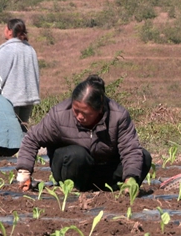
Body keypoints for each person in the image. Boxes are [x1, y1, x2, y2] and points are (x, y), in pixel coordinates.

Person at [15, 75, 152, 192]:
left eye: (86, 113)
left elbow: (130, 149)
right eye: (76, 111)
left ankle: (116, 188)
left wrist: (130, 179)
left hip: (104, 171)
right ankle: (73, 189)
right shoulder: (60, 114)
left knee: (143, 157)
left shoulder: (118, 116)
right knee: (77, 154)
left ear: (100, 109)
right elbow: (32, 138)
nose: (79, 116)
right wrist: (24, 172)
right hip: (71, 171)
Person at [0, 18, 40, 130]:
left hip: (11, 99)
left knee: (10, 131)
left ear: (10, 31)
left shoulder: (6, 50)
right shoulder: (30, 49)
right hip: (28, 97)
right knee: (22, 131)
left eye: (6, 27)